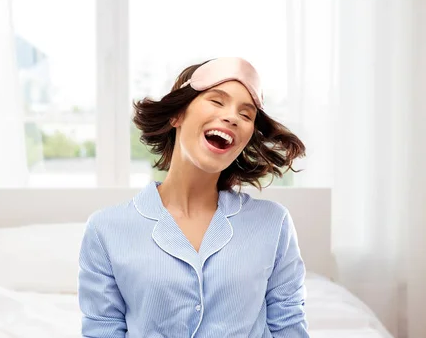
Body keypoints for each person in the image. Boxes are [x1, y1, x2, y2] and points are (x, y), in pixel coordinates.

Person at [78, 57, 309, 338]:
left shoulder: (273, 224)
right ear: (177, 115)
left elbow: (288, 325)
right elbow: (102, 330)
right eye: (217, 101)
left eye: (246, 115)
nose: (232, 117)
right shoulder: (106, 229)